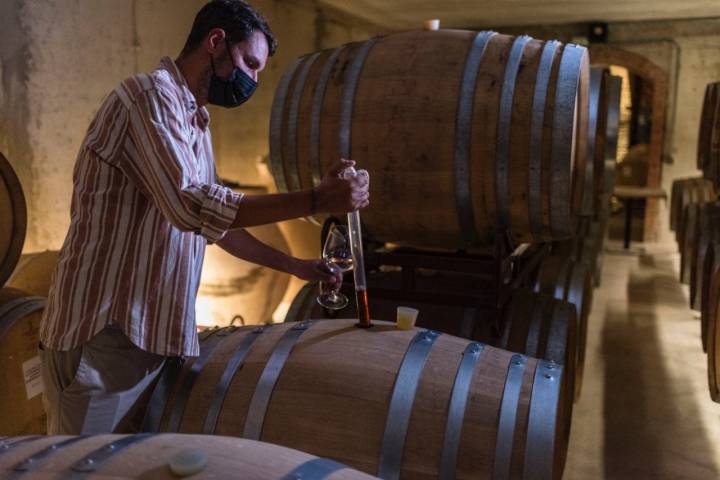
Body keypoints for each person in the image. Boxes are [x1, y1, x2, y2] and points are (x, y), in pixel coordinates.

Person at [38, 0, 369, 435]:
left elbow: (215, 226)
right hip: (107, 337)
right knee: (74, 469)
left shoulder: (196, 123)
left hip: (149, 341)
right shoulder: (148, 99)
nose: (251, 80)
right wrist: (316, 200)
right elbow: (190, 205)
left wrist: (297, 266)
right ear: (215, 41)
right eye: (250, 63)